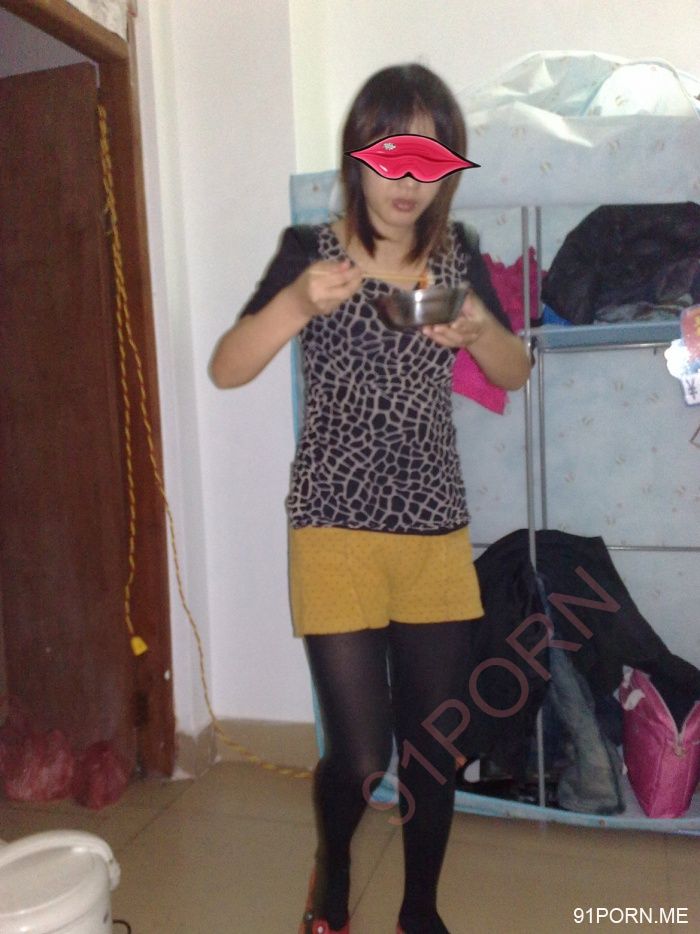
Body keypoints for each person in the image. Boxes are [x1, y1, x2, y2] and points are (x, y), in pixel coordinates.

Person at [210, 63, 531, 934]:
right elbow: (227, 367)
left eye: (430, 158)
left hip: (434, 528)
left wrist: (479, 329)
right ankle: (337, 862)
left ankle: (419, 909)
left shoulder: (458, 256)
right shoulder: (309, 249)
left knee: (434, 749)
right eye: (392, 154)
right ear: (359, 155)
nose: (408, 180)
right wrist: (293, 303)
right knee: (359, 757)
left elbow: (515, 370)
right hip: (334, 524)